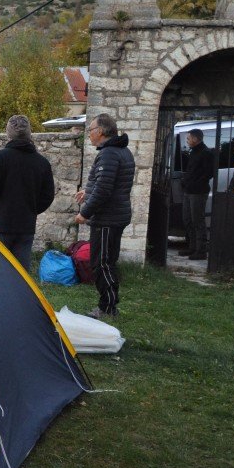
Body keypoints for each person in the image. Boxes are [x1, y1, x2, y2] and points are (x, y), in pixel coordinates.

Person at [75, 114, 135, 320]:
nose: (89, 135)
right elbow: (107, 183)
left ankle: (108, 307)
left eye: (91, 130)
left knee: (101, 263)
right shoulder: (121, 151)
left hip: (108, 218)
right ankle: (109, 304)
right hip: (116, 215)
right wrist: (87, 192)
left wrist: (84, 212)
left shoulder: (109, 154)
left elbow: (104, 190)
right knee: (107, 261)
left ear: (100, 131)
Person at [0, 115, 55, 272]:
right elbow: (47, 196)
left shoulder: (1, 157)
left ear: (9, 134)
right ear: (29, 134)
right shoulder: (41, 162)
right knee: (21, 275)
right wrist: (31, 208)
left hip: (1, 223)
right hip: (25, 224)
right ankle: (20, 297)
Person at [178, 128, 214, 261]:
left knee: (197, 220)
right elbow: (191, 170)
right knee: (187, 219)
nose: (187, 141)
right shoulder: (194, 152)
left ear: (195, 139)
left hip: (198, 191)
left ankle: (201, 250)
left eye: (188, 138)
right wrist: (186, 182)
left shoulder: (206, 153)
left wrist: (194, 183)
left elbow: (208, 173)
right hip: (189, 191)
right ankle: (192, 247)